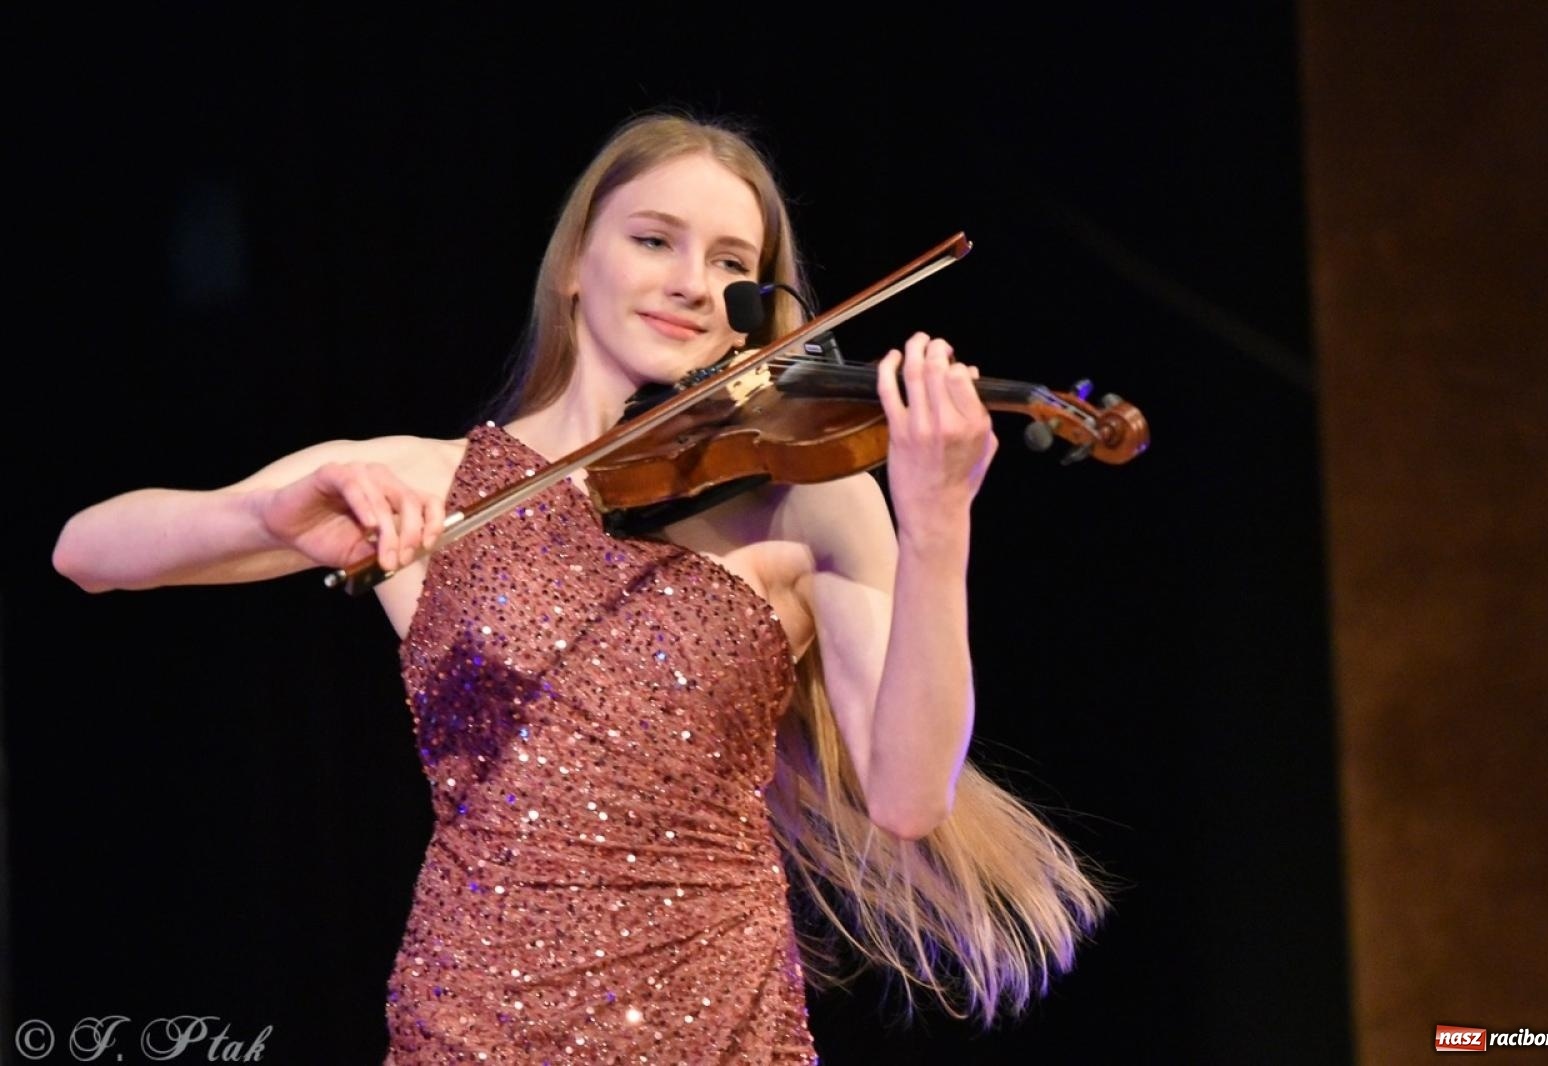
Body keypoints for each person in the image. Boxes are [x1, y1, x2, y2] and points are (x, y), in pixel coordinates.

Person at [52, 111, 1106, 1064]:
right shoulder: (422, 483)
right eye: (654, 240)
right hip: (476, 1012)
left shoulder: (805, 499)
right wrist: (265, 515)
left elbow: (911, 794)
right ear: (573, 266)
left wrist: (936, 525)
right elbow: (88, 552)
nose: (693, 281)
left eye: (730, 261)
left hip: (718, 1017)